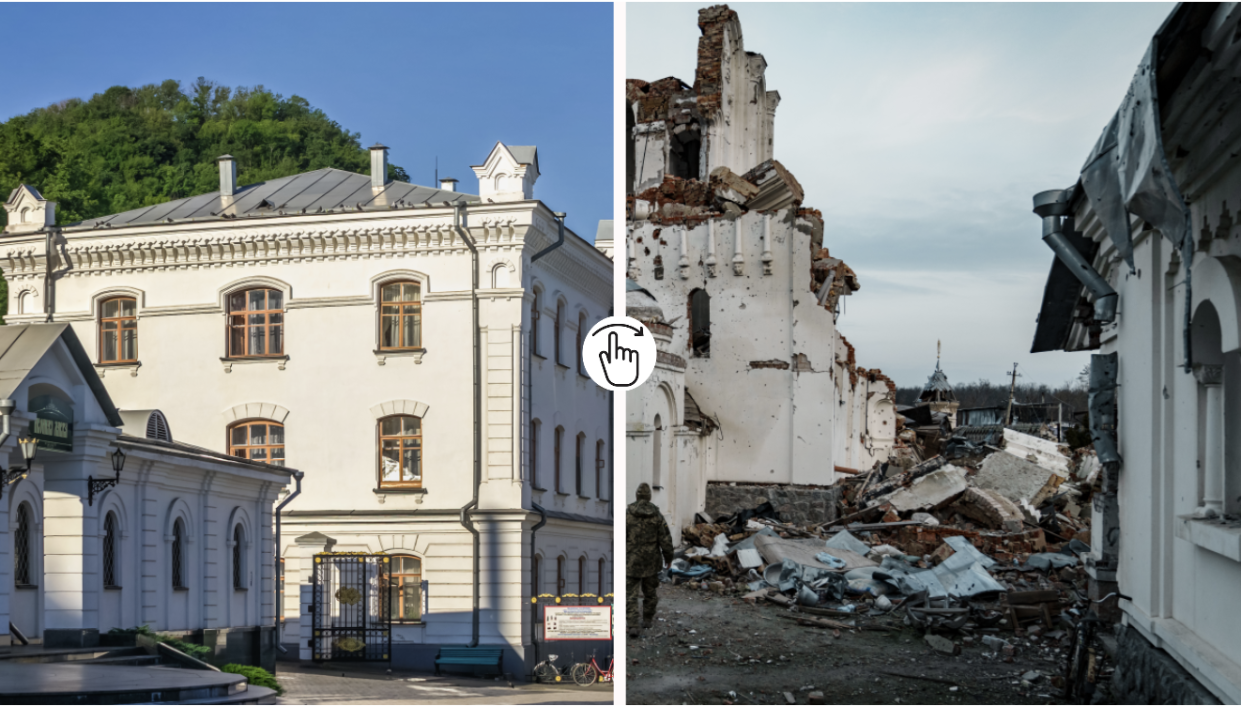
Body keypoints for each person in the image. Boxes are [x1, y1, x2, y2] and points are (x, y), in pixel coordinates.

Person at [626, 482, 673, 638]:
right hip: (651, 561)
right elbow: (665, 538)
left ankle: (632, 624)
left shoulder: (628, 514)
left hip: (631, 561)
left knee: (630, 594)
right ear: (649, 496)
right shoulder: (657, 515)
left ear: (637, 496)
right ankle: (647, 620)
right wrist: (669, 557)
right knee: (650, 592)